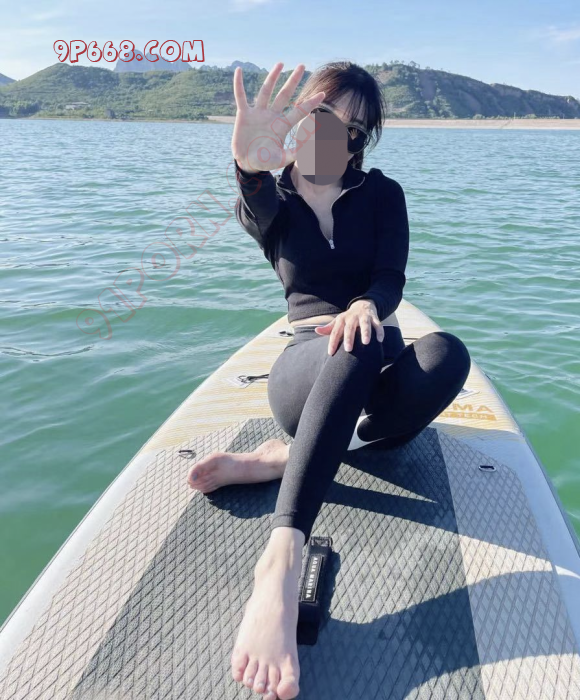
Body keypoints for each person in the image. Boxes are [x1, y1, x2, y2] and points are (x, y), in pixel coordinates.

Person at [186, 61, 471, 699]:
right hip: (306, 371)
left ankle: (285, 458)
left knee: (448, 356)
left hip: (375, 362)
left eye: (354, 127)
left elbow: (390, 277)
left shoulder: (383, 194)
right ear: (300, 117)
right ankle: (280, 561)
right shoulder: (274, 200)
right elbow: (255, 202)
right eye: (324, 116)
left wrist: (368, 303)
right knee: (352, 344)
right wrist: (248, 168)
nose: (336, 134)